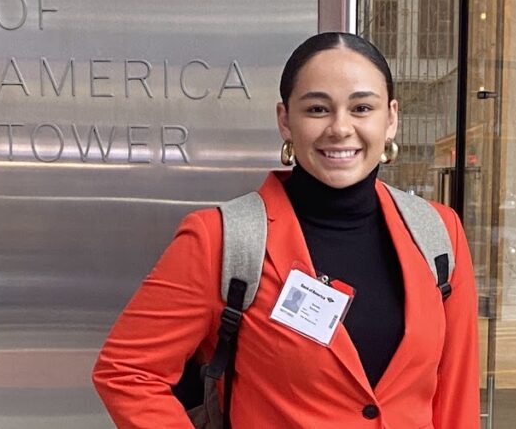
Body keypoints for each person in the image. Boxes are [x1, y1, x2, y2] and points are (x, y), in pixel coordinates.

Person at [92, 32, 480, 427]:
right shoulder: (222, 240)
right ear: (285, 120)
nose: (340, 128)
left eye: (362, 107)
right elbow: (126, 371)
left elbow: (456, 396)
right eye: (317, 109)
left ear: (391, 118)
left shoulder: (437, 233)